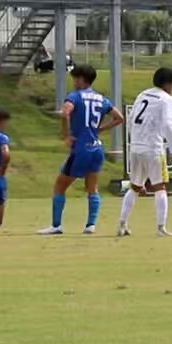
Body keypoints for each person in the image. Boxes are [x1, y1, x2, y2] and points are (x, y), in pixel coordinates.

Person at [38, 64, 123, 235]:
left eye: (75, 79)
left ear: (80, 79)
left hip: (81, 149)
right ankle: (90, 225)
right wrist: (100, 129)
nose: (74, 82)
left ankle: (56, 225)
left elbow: (65, 113)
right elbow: (119, 118)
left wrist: (67, 134)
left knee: (59, 186)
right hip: (96, 148)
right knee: (92, 187)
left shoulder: (75, 96)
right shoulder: (101, 98)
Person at [119, 67, 172, 237]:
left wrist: (134, 140)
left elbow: (130, 120)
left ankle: (122, 224)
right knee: (160, 187)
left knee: (135, 187)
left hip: (136, 147)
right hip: (153, 148)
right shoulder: (166, 99)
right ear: (168, 84)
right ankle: (161, 227)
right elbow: (168, 124)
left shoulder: (142, 94)